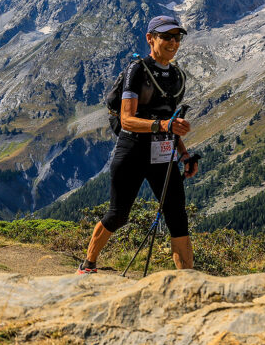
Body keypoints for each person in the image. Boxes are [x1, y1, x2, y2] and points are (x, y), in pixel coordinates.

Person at [78, 15, 200, 275]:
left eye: (176, 37)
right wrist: (163, 126)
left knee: (177, 217)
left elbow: (172, 122)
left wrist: (184, 154)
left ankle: (188, 281)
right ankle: (88, 264)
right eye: (166, 36)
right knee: (118, 215)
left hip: (163, 154)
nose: (173, 42)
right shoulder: (137, 70)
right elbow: (127, 119)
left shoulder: (178, 76)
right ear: (150, 39)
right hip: (132, 150)